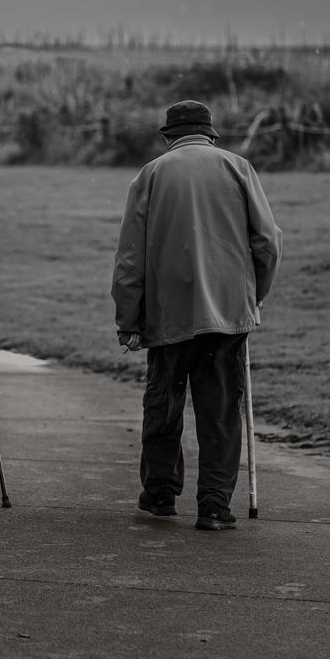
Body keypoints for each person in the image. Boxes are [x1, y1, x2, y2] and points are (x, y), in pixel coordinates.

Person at [112, 100, 281, 531]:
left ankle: (161, 494)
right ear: (211, 135)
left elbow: (130, 258)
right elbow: (267, 242)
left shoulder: (150, 174)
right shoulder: (239, 168)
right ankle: (214, 506)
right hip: (227, 312)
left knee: (163, 406)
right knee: (221, 410)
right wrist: (253, 295)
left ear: (167, 137)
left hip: (168, 314)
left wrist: (128, 320)